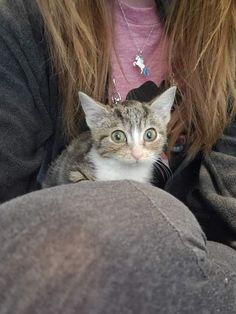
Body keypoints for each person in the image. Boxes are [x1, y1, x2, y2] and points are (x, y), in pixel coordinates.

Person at [0, 0, 235, 313]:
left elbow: (227, 196)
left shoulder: (223, 27)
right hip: (64, 258)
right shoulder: (22, 19)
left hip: (206, 255)